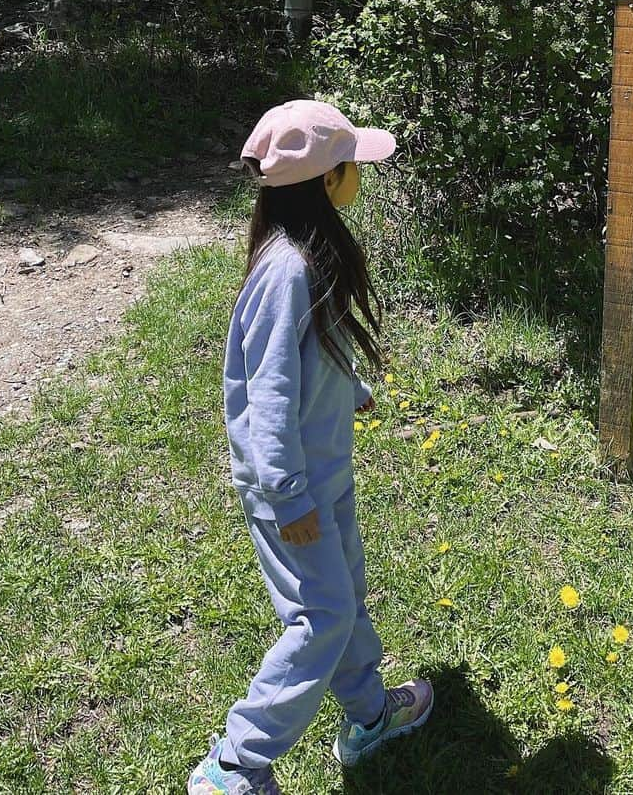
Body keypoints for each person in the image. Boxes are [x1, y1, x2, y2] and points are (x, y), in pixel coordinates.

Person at [188, 98, 433, 795]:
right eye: (351, 165)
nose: (358, 175)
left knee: (346, 599)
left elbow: (308, 356)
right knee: (321, 616)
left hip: (325, 474)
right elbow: (264, 393)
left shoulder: (309, 258)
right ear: (327, 182)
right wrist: (287, 493)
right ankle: (234, 762)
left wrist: (348, 386)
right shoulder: (286, 270)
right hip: (290, 489)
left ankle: (368, 716)